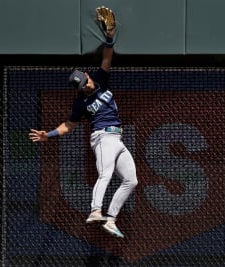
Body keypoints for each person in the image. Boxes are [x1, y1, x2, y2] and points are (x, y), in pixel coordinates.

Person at [29, 27, 138, 238]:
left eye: (85, 83)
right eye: (81, 87)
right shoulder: (81, 102)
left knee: (131, 180)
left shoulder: (100, 79)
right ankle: (95, 211)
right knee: (105, 174)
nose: (86, 87)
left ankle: (111, 219)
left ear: (87, 76)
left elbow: (107, 56)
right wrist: (48, 135)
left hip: (117, 138)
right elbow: (69, 125)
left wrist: (109, 37)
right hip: (102, 137)